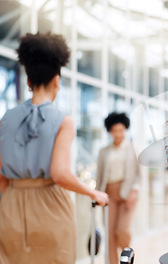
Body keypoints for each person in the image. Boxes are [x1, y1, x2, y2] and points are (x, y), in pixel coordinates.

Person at [0, 32, 109, 264]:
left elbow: (1, 176)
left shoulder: (6, 119)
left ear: (28, 81)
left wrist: (12, 199)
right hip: (50, 207)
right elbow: (59, 174)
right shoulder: (62, 120)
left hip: (10, 207)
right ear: (57, 81)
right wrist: (93, 193)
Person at [96, 112, 141, 264]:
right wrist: (97, 194)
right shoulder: (104, 152)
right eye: (115, 130)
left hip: (127, 192)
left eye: (121, 130)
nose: (118, 134)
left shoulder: (132, 148)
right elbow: (100, 176)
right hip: (108, 194)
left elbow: (138, 174)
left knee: (122, 231)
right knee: (109, 234)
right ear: (110, 131)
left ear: (125, 130)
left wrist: (134, 192)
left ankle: (127, 259)